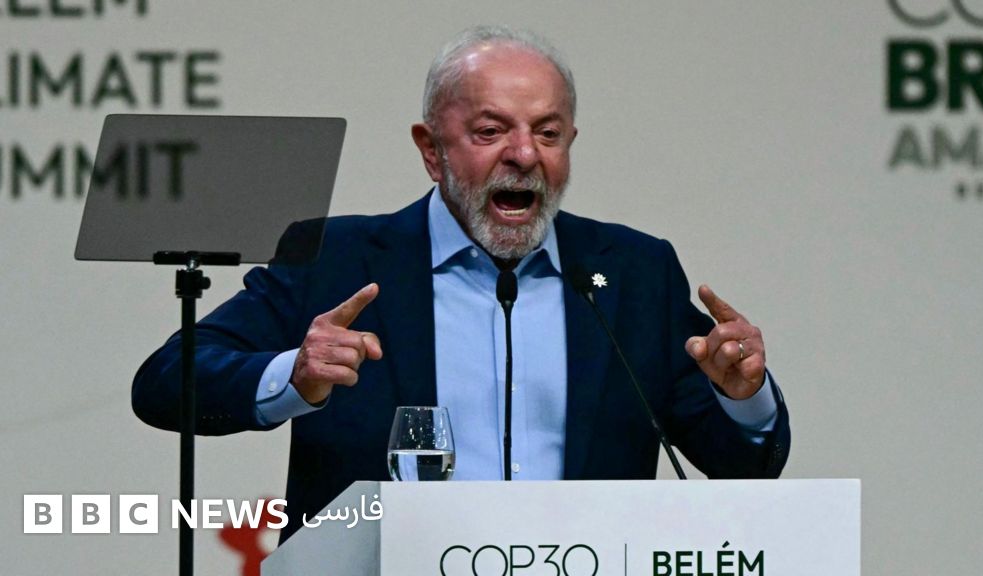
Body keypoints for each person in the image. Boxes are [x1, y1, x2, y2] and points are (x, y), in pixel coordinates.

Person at [132, 25, 790, 542]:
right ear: (431, 149)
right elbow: (166, 382)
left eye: (548, 133)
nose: (525, 155)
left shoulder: (634, 272)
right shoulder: (335, 259)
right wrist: (293, 377)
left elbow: (744, 464)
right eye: (491, 131)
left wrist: (744, 398)